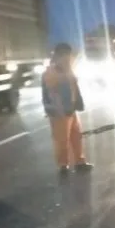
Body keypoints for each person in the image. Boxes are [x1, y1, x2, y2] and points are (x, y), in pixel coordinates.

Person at [42, 43, 93, 174]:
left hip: (70, 109)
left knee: (76, 136)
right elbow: (51, 94)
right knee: (62, 140)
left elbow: (73, 87)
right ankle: (63, 165)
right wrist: (59, 111)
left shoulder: (67, 69)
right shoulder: (52, 72)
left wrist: (76, 104)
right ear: (60, 55)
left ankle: (80, 161)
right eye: (67, 55)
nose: (70, 57)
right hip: (60, 112)